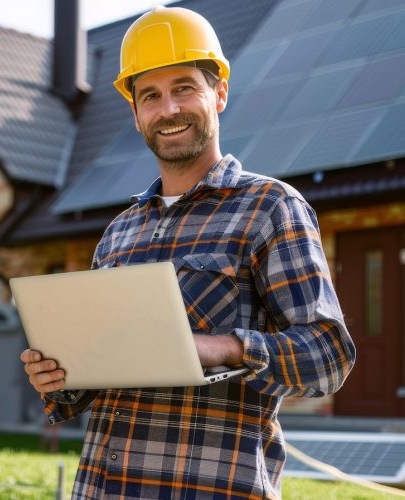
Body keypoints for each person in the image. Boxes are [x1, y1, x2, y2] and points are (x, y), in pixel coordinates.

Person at [20, 6, 356, 499]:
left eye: (184, 87)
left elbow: (330, 356)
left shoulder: (269, 208)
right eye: (150, 95)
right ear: (135, 115)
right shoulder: (118, 234)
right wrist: (56, 375)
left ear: (218, 93)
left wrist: (221, 347)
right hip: (103, 487)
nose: (169, 109)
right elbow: (93, 383)